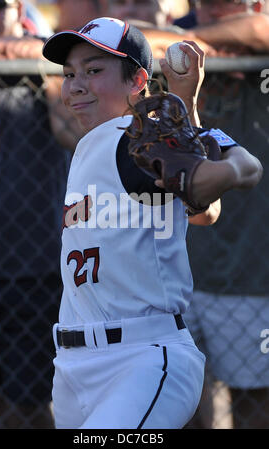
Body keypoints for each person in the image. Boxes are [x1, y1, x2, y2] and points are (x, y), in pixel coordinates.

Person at [42, 16, 262, 429]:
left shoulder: (134, 137)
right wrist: (188, 113)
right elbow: (202, 213)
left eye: (93, 70)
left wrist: (223, 162)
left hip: (140, 359)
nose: (76, 85)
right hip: (74, 363)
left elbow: (224, 180)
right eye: (69, 74)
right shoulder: (99, 144)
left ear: (137, 80)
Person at [0, 0, 71, 428]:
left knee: (29, 406)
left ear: (18, 9)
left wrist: (34, 56)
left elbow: (71, 130)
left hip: (34, 268)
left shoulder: (43, 64)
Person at [177, 0, 269, 429]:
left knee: (253, 402)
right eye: (202, 2)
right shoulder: (176, 34)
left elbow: (260, 31)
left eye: (222, 2)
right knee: (186, 398)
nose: (208, 8)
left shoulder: (253, 44)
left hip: (253, 272)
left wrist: (193, 47)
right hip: (181, 270)